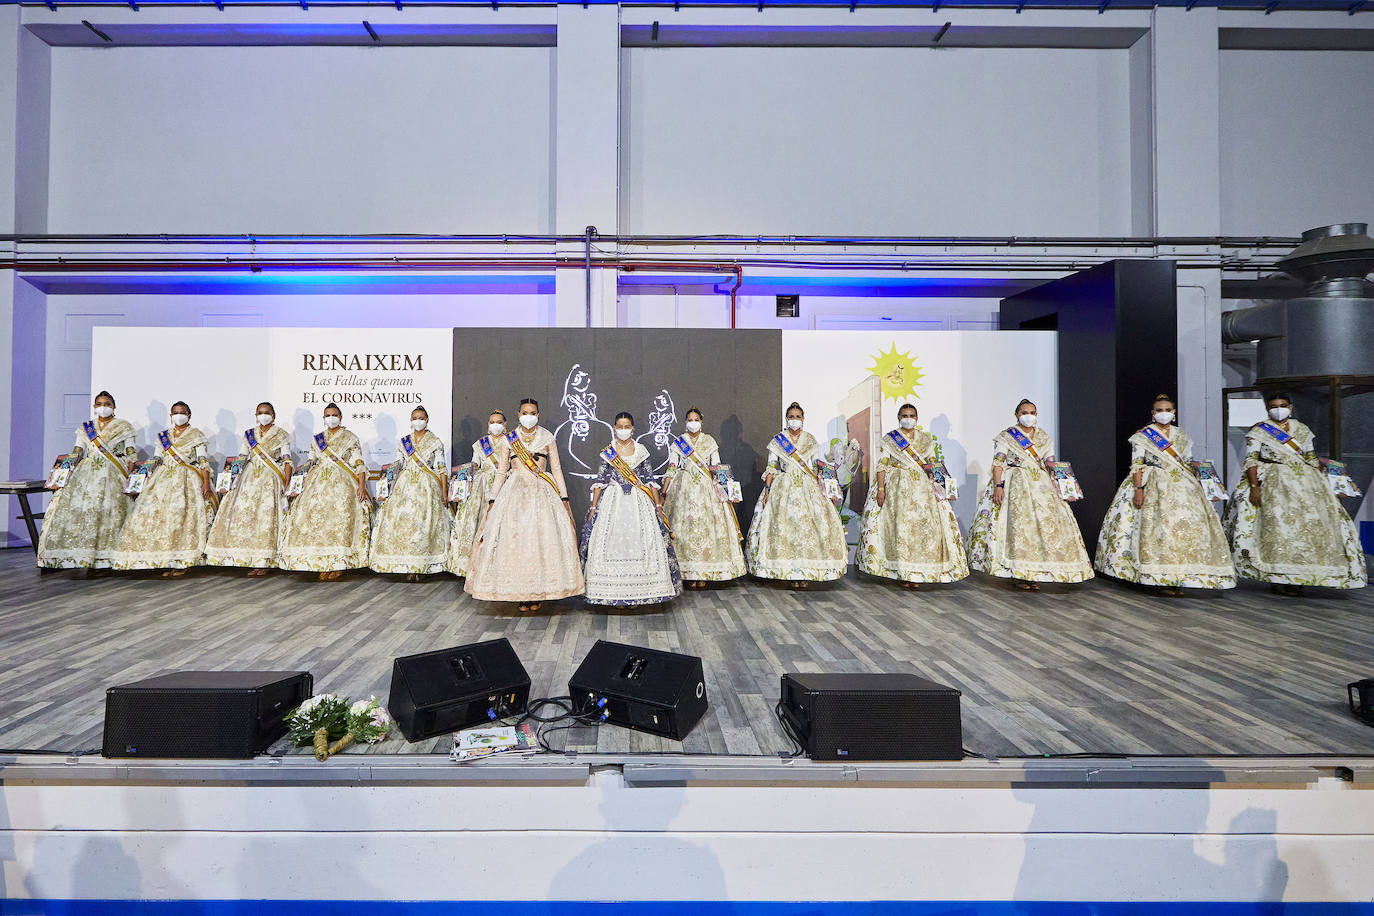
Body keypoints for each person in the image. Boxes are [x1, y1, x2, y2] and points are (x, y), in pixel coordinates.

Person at [1224, 392, 1366, 594]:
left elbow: (1312, 458)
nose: (1278, 409)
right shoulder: (1260, 430)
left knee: (1307, 527)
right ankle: (1278, 577)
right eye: (1273, 406)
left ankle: (1302, 576)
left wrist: (1330, 485)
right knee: (1280, 528)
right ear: (1267, 409)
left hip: (1305, 483)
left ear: (1290, 408)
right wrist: (1254, 487)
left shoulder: (1303, 429)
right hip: (1274, 479)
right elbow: (1251, 459)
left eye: (1282, 405)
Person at [1095, 395, 1236, 595]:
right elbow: (1137, 464)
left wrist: (1208, 485)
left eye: (1168, 410)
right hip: (1153, 482)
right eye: (1160, 410)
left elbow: (1188, 463)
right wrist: (1139, 490)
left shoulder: (1182, 436)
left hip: (1182, 486)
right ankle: (1159, 578)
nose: (1164, 413)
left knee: (1183, 529)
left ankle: (1180, 577)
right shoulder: (1143, 435)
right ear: (1153, 414)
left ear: (1174, 412)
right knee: (1157, 530)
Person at [465, 398, 585, 611]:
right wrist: (493, 499)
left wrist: (564, 497)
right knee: (516, 542)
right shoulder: (509, 439)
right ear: (519, 415)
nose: (528, 416)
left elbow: (556, 469)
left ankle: (538, 592)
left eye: (532, 413)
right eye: (524, 412)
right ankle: (520, 593)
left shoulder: (547, 437)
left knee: (541, 542)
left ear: (538, 415)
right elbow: (502, 471)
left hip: (542, 492)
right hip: (514, 492)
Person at [967, 398, 1093, 589]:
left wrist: (1066, 487)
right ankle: (1020, 574)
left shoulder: (1043, 437)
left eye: (1033, 413)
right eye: (1025, 412)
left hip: (1041, 486)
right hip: (1015, 483)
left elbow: (1052, 464)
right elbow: (998, 463)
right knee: (1019, 527)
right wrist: (998, 486)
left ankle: (1038, 572)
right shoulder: (1007, 436)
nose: (1029, 416)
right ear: (1017, 415)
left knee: (1046, 527)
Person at [856, 403, 969, 588]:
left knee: (923, 529)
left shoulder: (925, 440)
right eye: (904, 415)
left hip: (923, 489)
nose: (908, 418)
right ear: (899, 418)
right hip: (898, 488)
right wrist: (881, 489)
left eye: (912, 415)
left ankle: (920, 571)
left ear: (917, 418)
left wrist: (944, 487)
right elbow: (882, 465)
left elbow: (933, 464)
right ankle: (902, 572)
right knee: (901, 528)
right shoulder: (890, 439)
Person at [581, 412, 682, 606]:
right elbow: (600, 480)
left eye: (627, 426)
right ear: (614, 427)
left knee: (643, 541)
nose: (623, 430)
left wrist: (658, 506)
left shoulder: (641, 450)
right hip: (612, 499)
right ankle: (612, 593)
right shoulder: (609, 451)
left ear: (632, 429)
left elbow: (650, 479)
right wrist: (593, 507)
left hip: (638, 499)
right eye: (620, 426)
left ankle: (639, 593)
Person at [746, 401, 848, 588]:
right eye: (791, 417)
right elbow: (771, 467)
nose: (795, 420)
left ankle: (806, 572)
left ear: (803, 419)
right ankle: (789, 572)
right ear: (786, 419)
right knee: (785, 527)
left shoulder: (809, 439)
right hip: (783, 486)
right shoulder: (779, 440)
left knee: (807, 528)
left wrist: (829, 488)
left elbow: (816, 465)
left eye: (798, 417)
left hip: (807, 486)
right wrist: (768, 490)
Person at [110, 401, 216, 577]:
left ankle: (183, 562)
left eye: (182, 412)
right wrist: (142, 478)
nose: (178, 415)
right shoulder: (163, 436)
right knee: (158, 518)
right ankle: (166, 559)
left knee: (181, 518)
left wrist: (206, 482)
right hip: (163, 478)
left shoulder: (196, 435)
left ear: (189, 415)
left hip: (186, 478)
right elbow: (156, 458)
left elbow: (203, 461)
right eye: (175, 412)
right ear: (170, 415)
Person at [36, 390, 136, 572]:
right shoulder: (86, 428)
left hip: (113, 472)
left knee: (110, 511)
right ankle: (81, 556)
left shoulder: (124, 427)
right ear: (94, 406)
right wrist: (62, 471)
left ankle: (108, 558)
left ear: (114, 407)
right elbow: (77, 452)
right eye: (99, 404)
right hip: (87, 471)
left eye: (107, 404)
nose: (103, 407)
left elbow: (131, 453)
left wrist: (133, 477)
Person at [277, 402, 372, 580]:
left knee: (339, 521)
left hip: (342, 483)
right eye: (327, 415)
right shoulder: (317, 439)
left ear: (340, 417)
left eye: (334, 415)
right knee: (315, 520)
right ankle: (321, 563)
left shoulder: (350, 437)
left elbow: (358, 462)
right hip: (317, 483)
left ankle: (338, 564)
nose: (331, 418)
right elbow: (310, 461)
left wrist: (361, 486)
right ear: (323, 418)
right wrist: (298, 482)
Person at [660, 407, 747, 588]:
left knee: (706, 529)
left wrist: (726, 489)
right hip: (683, 488)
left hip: (707, 489)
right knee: (684, 530)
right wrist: (665, 489)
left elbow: (716, 466)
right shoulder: (679, 442)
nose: (693, 423)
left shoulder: (709, 441)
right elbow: (672, 467)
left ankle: (705, 573)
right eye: (690, 420)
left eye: (696, 420)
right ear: (685, 423)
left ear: (701, 421)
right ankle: (687, 573)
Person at [205, 401, 293, 576]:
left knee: (265, 518)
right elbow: (242, 457)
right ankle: (246, 558)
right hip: (249, 478)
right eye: (260, 412)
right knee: (246, 516)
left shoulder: (282, 435)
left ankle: (265, 561)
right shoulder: (249, 435)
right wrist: (229, 478)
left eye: (266, 412)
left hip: (270, 479)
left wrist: (287, 482)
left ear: (273, 415)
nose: (263, 415)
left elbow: (287, 460)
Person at [369, 406, 451, 579]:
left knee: (423, 524)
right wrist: (386, 486)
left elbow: (441, 468)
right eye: (414, 418)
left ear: (427, 420)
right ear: (410, 421)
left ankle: (421, 564)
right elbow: (397, 465)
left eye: (421, 418)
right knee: (404, 523)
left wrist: (444, 492)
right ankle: (405, 563)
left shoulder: (435, 441)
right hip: (404, 485)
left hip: (427, 486)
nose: (418, 421)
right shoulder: (404, 441)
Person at [446, 410, 510, 578]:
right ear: (488, 425)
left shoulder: (512, 441)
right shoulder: (481, 443)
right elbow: (476, 463)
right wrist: (464, 471)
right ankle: (472, 564)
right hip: (482, 484)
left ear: (505, 425)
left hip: (505, 482)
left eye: (499, 422)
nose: (495, 425)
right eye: (492, 422)